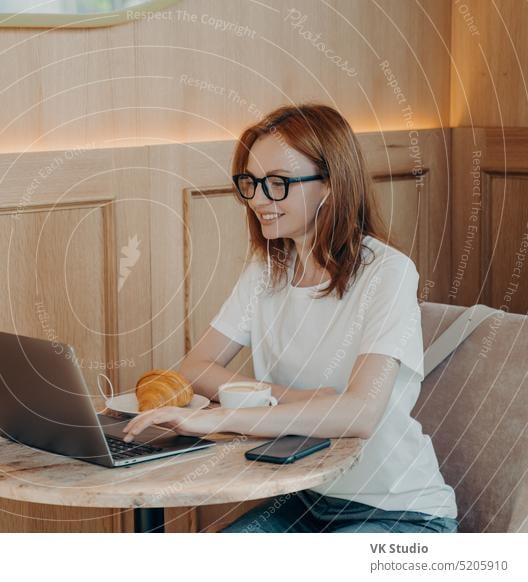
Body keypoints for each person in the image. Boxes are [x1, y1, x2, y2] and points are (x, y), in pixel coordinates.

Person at [122, 103, 459, 533]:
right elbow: (194, 367)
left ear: (331, 186)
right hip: (305, 500)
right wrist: (287, 395)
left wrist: (218, 417)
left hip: (400, 514)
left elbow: (360, 414)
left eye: (277, 184)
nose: (259, 199)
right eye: (252, 183)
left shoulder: (387, 274)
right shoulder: (266, 272)